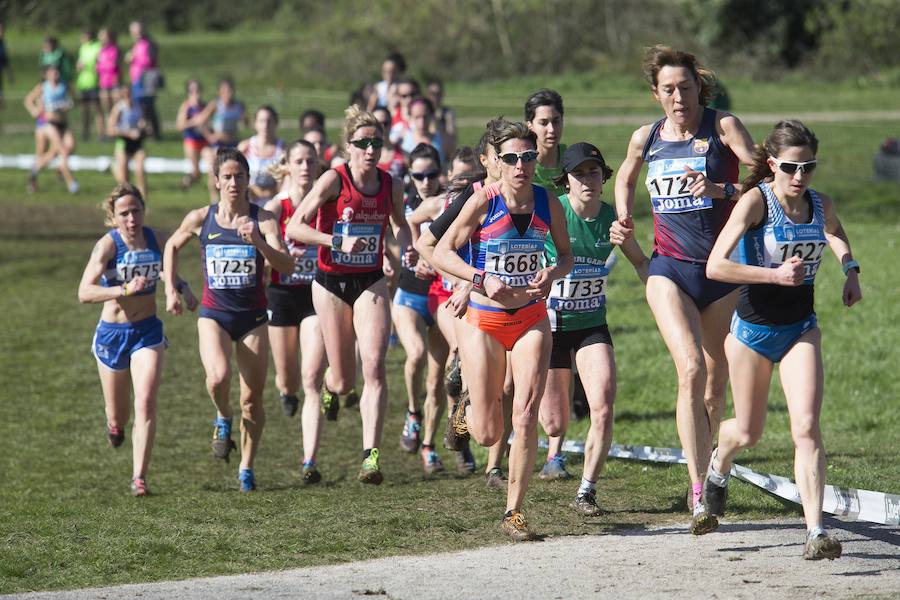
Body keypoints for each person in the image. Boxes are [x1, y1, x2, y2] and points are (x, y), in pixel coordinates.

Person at [608, 45, 755, 534]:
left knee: (715, 386)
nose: (678, 97)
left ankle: (714, 472)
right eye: (668, 89)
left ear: (699, 88)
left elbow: (766, 178)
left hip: (721, 272)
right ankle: (697, 495)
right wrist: (624, 215)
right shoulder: (645, 137)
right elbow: (624, 176)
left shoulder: (723, 127)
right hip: (668, 269)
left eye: (685, 88)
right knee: (689, 368)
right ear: (657, 93)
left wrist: (722, 191)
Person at [704, 120, 861, 558]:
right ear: (772, 164)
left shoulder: (818, 202)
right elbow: (716, 266)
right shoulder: (756, 203)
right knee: (749, 432)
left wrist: (850, 269)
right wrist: (773, 274)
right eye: (791, 167)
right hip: (751, 333)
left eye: (809, 167)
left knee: (807, 427)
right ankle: (720, 461)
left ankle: (815, 532)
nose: (800, 176)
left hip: (800, 329)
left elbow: (833, 230)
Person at [431, 118, 574, 540]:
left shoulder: (549, 203)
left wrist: (552, 273)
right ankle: (466, 410)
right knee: (490, 430)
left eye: (528, 156)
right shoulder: (483, 201)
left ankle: (513, 512)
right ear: (497, 161)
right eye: (511, 158)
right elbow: (441, 251)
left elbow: (566, 256)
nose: (520, 165)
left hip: (531, 318)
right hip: (484, 321)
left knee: (525, 416)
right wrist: (480, 279)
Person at [286, 105, 415, 485]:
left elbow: (400, 224)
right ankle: (331, 386)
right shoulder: (333, 180)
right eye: (363, 144)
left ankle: (370, 457)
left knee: (374, 365)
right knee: (344, 381)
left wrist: (405, 247)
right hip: (330, 283)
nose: (371, 150)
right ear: (349, 146)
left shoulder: (390, 183)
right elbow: (295, 227)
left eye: (377, 142)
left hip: (371, 280)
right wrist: (336, 239)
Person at [163, 148, 294, 492]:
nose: (234, 183)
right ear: (216, 181)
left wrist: (261, 245)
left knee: (251, 401)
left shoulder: (263, 219)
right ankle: (222, 416)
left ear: (249, 180)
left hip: (252, 318)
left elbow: (287, 266)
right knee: (218, 377)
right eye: (227, 177)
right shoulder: (200, 218)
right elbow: (171, 247)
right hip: (214, 314)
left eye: (240, 176)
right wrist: (171, 289)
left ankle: (246, 468)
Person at [538, 143, 649, 515]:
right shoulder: (553, 214)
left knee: (602, 404)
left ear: (604, 178)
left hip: (590, 325)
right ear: (566, 181)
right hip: (549, 327)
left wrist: (675, 295)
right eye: (579, 173)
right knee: (554, 425)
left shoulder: (613, 221)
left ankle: (587, 490)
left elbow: (642, 265)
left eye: (594, 172)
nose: (588, 179)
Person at [78, 183, 198, 496]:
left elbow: (165, 271)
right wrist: (123, 289)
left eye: (136, 211)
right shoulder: (107, 246)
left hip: (147, 331)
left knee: (145, 400)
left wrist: (181, 289)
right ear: (113, 217)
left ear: (144, 210)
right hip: (112, 335)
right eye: (125, 213)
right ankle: (114, 426)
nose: (132, 219)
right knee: (118, 413)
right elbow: (84, 292)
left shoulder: (158, 239)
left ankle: (139, 477)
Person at [415, 130, 511, 488]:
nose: (511, 163)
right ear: (487, 160)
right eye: (503, 156)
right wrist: (461, 282)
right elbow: (428, 243)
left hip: (512, 303)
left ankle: (495, 467)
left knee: (509, 385)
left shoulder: (527, 197)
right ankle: (462, 414)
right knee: (476, 378)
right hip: (462, 299)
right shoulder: (471, 197)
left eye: (517, 155)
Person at [263, 140, 329, 483]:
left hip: (316, 293)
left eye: (310, 161)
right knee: (287, 377)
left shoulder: (325, 203)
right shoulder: (275, 208)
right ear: (287, 165)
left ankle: (309, 460)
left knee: (311, 378)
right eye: (298, 161)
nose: (305, 167)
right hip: (281, 296)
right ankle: (286, 392)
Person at [392, 143, 449, 474]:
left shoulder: (448, 204)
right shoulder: (403, 205)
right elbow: (390, 239)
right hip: (410, 294)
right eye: (418, 175)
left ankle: (428, 446)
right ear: (409, 175)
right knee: (414, 355)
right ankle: (413, 413)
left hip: (440, 296)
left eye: (430, 175)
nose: (425, 181)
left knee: (436, 378)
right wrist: (400, 257)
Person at [24, 65, 78, 194]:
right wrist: (34, 110)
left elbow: (75, 99)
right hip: (49, 124)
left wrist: (70, 104)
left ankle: (34, 171)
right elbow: (28, 100)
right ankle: (71, 183)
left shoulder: (64, 85)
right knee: (62, 150)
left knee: (69, 146)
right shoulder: (43, 86)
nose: (55, 73)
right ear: (46, 74)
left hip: (63, 123)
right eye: (52, 71)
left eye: (57, 70)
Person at [197, 78, 248, 202]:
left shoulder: (238, 105)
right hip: (218, 144)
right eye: (224, 91)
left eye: (230, 91)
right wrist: (209, 135)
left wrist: (245, 119)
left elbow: (247, 122)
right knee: (213, 167)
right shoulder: (216, 105)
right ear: (220, 92)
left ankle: (240, 197)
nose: (228, 94)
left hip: (233, 142)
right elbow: (200, 122)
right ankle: (215, 199)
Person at [108, 83, 148, 198]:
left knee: (140, 171)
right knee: (124, 178)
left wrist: (143, 125)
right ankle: (128, 197)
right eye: (124, 94)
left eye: (129, 94)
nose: (127, 96)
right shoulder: (119, 109)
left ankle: (143, 201)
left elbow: (142, 121)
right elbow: (110, 130)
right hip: (123, 141)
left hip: (137, 142)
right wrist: (128, 133)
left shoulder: (138, 106)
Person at [239, 105, 284, 205]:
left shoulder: (283, 150)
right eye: (262, 121)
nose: (265, 125)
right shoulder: (245, 148)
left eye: (269, 121)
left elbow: (286, 183)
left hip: (274, 204)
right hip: (247, 203)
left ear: (275, 123)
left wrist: (264, 193)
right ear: (255, 123)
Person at [526, 89, 567, 198]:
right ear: (530, 125)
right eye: (543, 123)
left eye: (556, 121)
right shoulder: (521, 163)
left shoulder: (571, 160)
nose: (551, 129)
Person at [126, 21, 161, 140]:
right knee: (140, 107)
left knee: (148, 106)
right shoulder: (136, 44)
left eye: (138, 31)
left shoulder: (149, 44)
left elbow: (151, 62)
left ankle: (155, 132)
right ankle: (145, 130)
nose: (136, 33)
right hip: (136, 80)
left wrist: (134, 58)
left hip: (146, 79)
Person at [175, 79, 209, 189]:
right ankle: (185, 182)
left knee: (212, 167)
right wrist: (194, 122)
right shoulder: (186, 106)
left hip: (204, 140)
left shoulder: (204, 106)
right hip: (191, 140)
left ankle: (214, 195)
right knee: (196, 172)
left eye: (197, 90)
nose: (196, 93)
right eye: (192, 90)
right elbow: (179, 125)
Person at [75, 28, 104, 141]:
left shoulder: (97, 47)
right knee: (84, 110)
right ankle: (85, 133)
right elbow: (80, 62)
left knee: (97, 109)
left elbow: (99, 63)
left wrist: (90, 67)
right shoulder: (82, 48)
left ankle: (102, 134)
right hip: (83, 82)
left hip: (94, 81)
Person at [400, 98, 444, 164]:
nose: (422, 122)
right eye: (417, 117)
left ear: (431, 115)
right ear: (411, 117)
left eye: (425, 117)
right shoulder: (403, 138)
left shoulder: (441, 138)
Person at [96, 28, 120, 138]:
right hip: (103, 83)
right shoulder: (100, 51)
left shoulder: (115, 49)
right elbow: (98, 67)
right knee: (107, 109)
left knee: (116, 109)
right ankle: (107, 132)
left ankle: (116, 130)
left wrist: (103, 66)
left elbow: (113, 66)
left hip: (114, 82)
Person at [425, 78, 457, 159]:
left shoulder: (447, 114)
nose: (435, 97)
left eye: (438, 94)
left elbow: (451, 139)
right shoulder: (423, 113)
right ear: (427, 94)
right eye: (432, 93)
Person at [0, 23, 12, 110]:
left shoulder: (2, 43)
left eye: (3, 30)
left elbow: (5, 59)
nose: (2, 32)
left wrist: (9, 72)